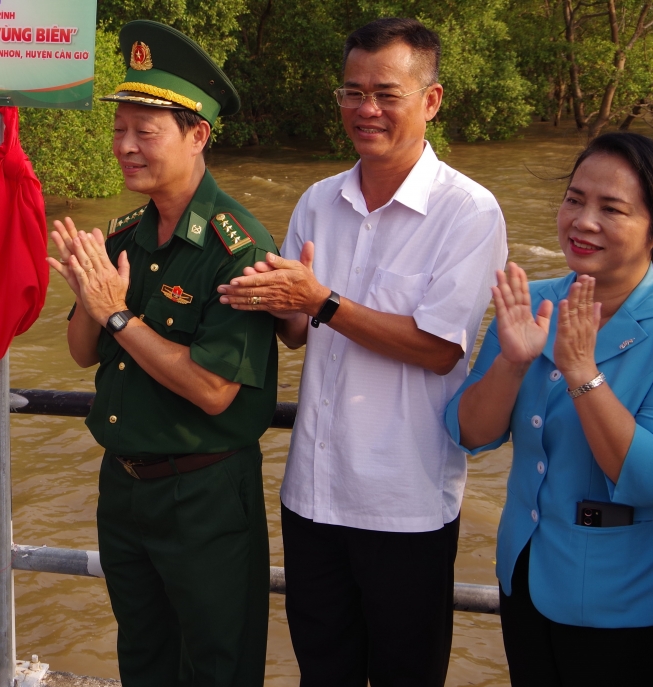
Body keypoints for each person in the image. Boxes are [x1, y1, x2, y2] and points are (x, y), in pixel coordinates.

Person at [218, 17, 509, 685]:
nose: (366, 109)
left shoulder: (468, 211)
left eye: (386, 92)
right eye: (352, 92)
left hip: (404, 500)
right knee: (324, 669)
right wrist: (269, 299)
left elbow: (438, 349)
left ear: (430, 100)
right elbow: (298, 329)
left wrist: (319, 299)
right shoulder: (320, 201)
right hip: (313, 495)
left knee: (406, 673)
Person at [47, 20, 279, 686]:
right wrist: (91, 297)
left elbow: (213, 389)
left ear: (197, 135)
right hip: (124, 487)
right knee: (142, 660)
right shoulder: (125, 233)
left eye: (145, 133)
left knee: (216, 666)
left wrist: (118, 313)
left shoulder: (239, 248)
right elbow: (79, 352)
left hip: (202, 492)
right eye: (119, 130)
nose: (125, 147)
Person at [446, 132, 653, 685]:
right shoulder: (531, 300)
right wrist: (512, 362)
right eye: (575, 199)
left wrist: (583, 372)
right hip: (529, 581)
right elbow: (471, 433)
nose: (583, 221)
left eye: (612, 208)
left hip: (634, 603)